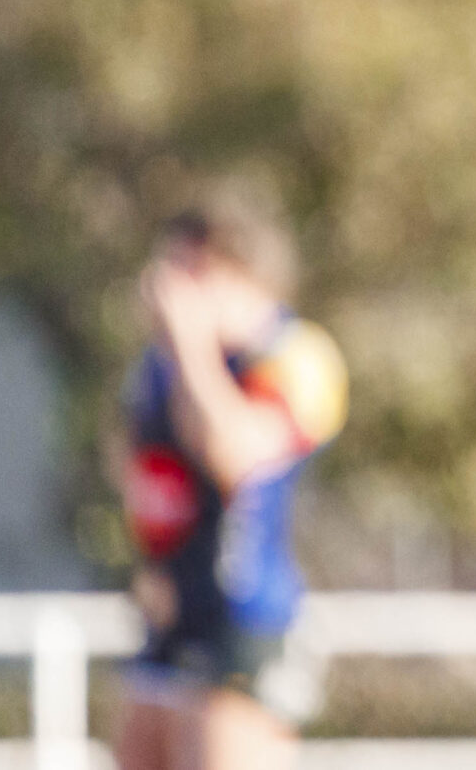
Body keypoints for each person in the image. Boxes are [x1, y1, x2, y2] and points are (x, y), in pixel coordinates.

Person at [112, 199, 347, 770]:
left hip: (248, 622)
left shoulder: (295, 355)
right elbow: (140, 464)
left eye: (189, 272)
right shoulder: (161, 364)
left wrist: (191, 348)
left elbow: (234, 452)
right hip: (175, 619)